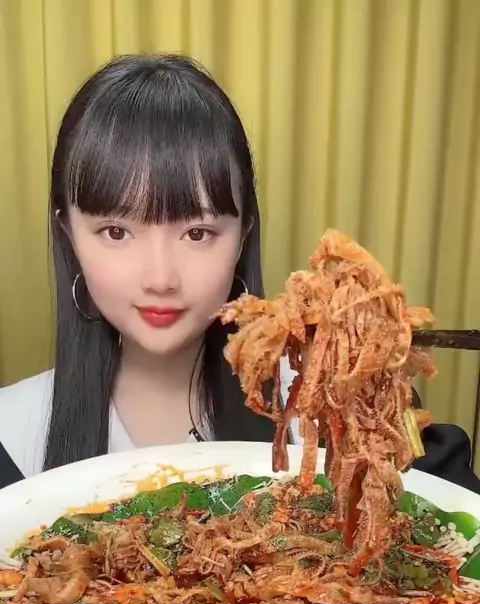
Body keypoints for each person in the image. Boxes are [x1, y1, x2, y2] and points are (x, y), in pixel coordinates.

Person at [0, 53, 478, 496]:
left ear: (243, 235)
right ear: (69, 234)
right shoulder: (13, 436)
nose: (160, 278)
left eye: (198, 233)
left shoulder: (344, 400)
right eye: (116, 232)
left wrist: (373, 386)